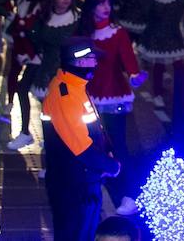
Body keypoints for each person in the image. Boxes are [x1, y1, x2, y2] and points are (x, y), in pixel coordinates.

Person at [42, 38, 122, 241]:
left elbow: (91, 128)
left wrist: (106, 153)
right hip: (74, 183)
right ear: (78, 62)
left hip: (81, 179)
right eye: (91, 58)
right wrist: (110, 165)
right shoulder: (66, 95)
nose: (96, 63)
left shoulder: (75, 87)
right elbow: (81, 148)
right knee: (76, 234)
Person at [79, 0, 143, 216]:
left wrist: (135, 75)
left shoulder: (117, 33)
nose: (106, 7)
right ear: (91, 7)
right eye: (100, 3)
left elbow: (128, 60)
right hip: (89, 95)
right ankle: (104, 183)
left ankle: (129, 194)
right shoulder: (84, 33)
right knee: (96, 141)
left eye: (108, 2)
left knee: (118, 144)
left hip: (114, 95)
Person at [0, 0, 47, 152]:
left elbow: (35, 30)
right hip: (27, 51)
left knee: (41, 95)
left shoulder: (43, 5)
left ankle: (41, 134)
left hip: (39, 55)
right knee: (25, 89)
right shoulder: (23, 0)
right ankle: (28, 132)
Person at [137, 0, 184, 124]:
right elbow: (146, 15)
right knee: (158, 68)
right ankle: (157, 94)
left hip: (173, 37)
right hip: (157, 38)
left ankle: (181, 90)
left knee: (179, 66)